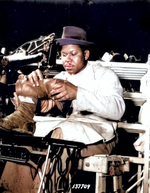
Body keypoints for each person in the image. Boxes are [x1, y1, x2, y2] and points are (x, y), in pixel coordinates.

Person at [0, 26, 125, 193]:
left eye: (73, 54)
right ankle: (11, 189)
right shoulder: (61, 77)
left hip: (102, 133)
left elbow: (118, 110)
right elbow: (46, 106)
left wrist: (77, 93)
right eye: (64, 55)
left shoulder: (104, 74)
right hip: (73, 126)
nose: (67, 59)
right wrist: (29, 94)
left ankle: (42, 190)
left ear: (86, 55)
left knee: (61, 134)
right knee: (27, 132)